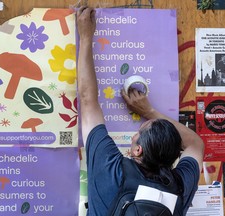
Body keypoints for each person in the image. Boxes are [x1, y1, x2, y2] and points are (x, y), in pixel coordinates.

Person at [77, 6, 204, 216]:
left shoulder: (113, 170)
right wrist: (149, 111)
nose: (136, 132)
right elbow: (195, 143)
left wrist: (85, 36)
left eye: (140, 129)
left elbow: (88, 100)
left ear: (138, 150)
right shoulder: (179, 185)